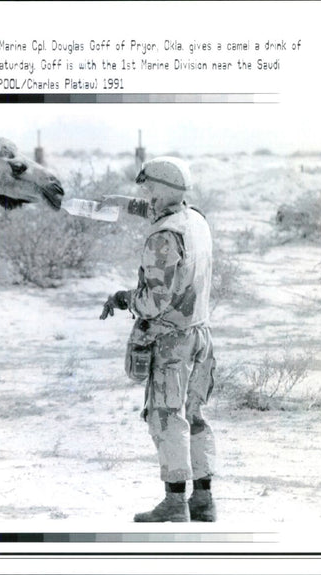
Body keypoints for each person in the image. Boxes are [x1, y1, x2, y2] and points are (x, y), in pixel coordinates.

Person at [100, 157, 217, 522]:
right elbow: (162, 212)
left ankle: (173, 503)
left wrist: (123, 298)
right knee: (196, 416)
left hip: (172, 342)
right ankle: (203, 501)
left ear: (164, 189)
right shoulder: (195, 220)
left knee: (166, 419)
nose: (145, 194)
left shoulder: (164, 237)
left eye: (149, 188)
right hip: (200, 335)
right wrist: (124, 203)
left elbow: (154, 301)